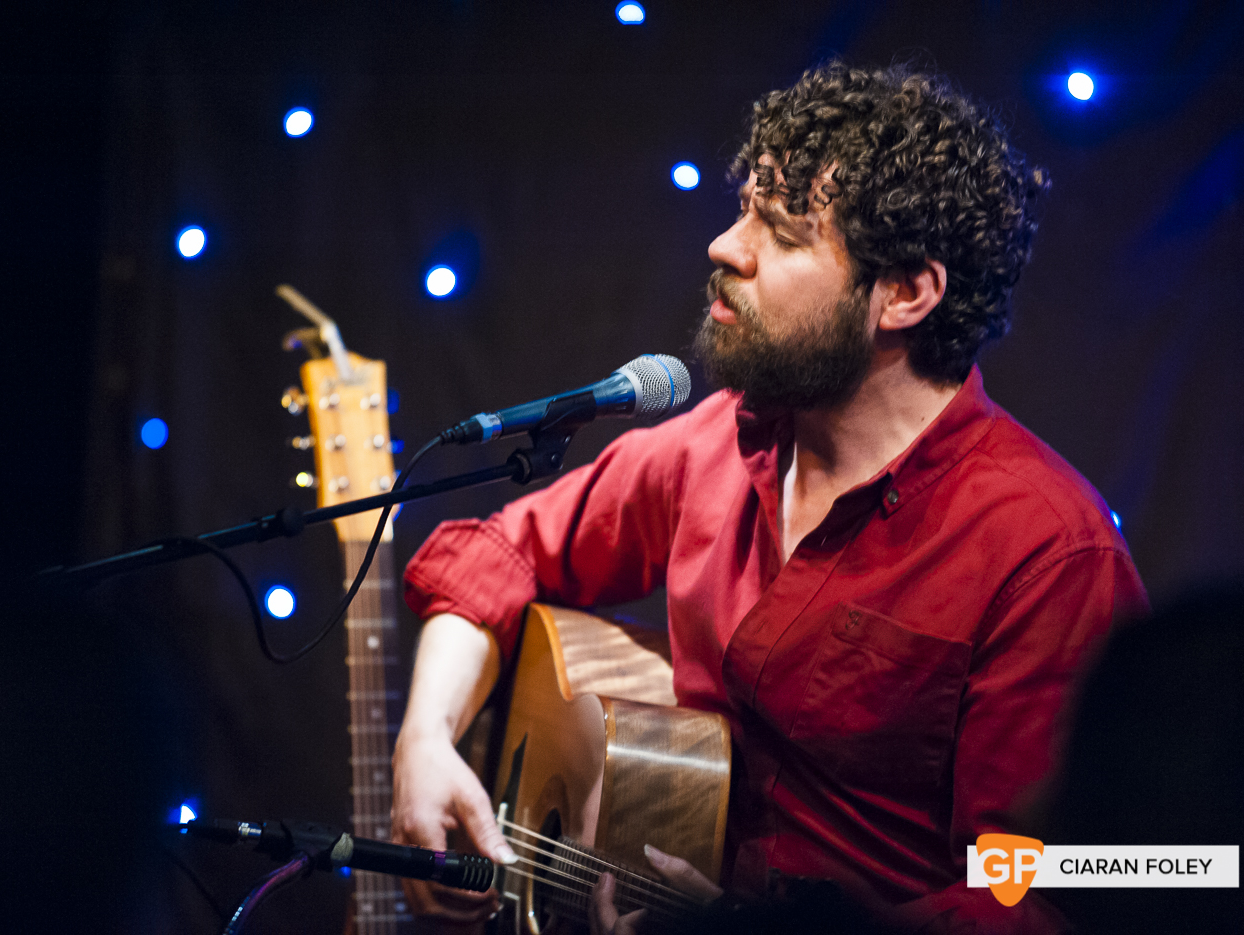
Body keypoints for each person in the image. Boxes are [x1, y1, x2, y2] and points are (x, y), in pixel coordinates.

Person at [389, 61, 1149, 933]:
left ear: (904, 293)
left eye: (782, 232)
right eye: (744, 206)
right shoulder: (718, 441)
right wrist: (425, 741)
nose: (724, 246)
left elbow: (1069, 889)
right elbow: (497, 554)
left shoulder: (1047, 551)